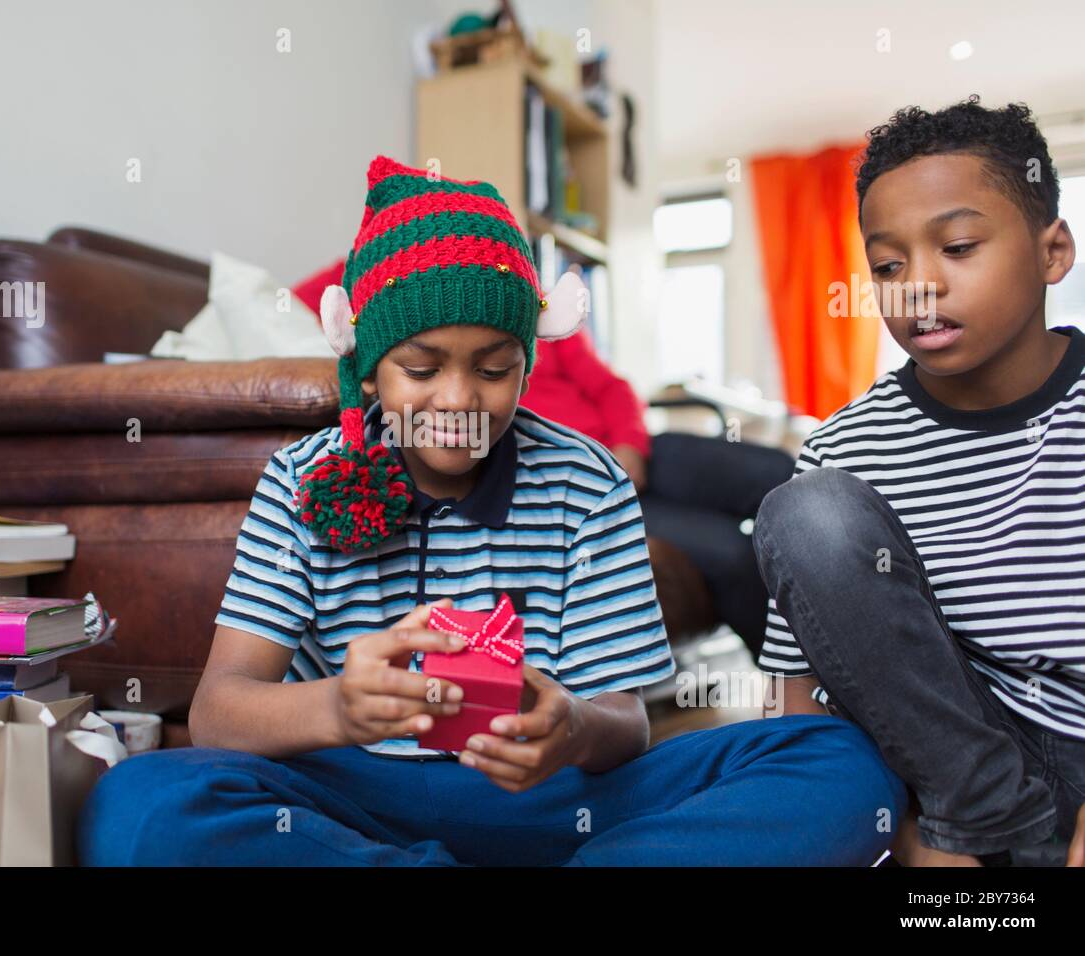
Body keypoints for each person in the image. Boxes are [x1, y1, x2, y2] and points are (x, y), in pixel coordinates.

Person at [78, 155, 903, 866]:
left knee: (842, 760)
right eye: (421, 366)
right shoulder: (300, 479)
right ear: (367, 369)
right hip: (347, 792)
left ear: (527, 364)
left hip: (551, 797)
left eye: (495, 368)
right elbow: (221, 711)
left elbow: (626, 726)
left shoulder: (586, 481)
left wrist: (572, 725)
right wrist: (337, 707)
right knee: (136, 805)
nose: (459, 400)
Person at [754, 97, 1085, 867]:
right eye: (889, 266)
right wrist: (909, 840)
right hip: (942, 790)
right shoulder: (844, 446)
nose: (917, 288)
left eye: (960, 246)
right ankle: (982, 840)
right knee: (809, 514)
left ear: (1052, 252)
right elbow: (797, 700)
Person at [521, 315, 794, 656]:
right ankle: (796, 678)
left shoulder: (542, 314)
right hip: (594, 497)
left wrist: (629, 444)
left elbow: (611, 388)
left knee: (779, 470)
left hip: (638, 452)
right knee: (734, 553)